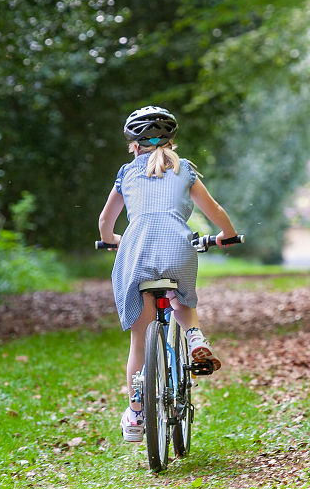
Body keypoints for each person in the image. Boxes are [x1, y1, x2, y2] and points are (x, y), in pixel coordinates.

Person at [97, 105, 237, 442]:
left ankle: (135, 412)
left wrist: (112, 241)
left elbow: (105, 222)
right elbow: (214, 210)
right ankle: (194, 336)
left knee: (138, 341)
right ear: (171, 141)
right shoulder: (185, 169)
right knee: (182, 296)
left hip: (136, 251)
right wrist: (228, 234)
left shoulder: (126, 173)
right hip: (177, 247)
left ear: (133, 145)